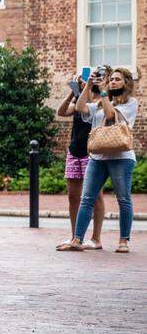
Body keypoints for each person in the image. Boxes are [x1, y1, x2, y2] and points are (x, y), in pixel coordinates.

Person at [58, 66, 138, 253]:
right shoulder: (101, 101)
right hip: (97, 156)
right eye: (112, 79)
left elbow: (111, 115)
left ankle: (123, 241)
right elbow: (79, 107)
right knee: (86, 198)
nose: (113, 82)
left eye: (117, 79)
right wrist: (87, 86)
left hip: (121, 157)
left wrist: (103, 92)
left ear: (126, 83)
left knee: (123, 199)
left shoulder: (130, 103)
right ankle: (77, 239)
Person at [56, 71, 106, 249]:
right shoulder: (79, 101)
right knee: (73, 197)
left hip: (92, 152)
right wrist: (73, 91)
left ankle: (96, 238)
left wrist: (93, 87)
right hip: (74, 151)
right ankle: (75, 237)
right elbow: (61, 111)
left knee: (95, 197)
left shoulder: (100, 102)